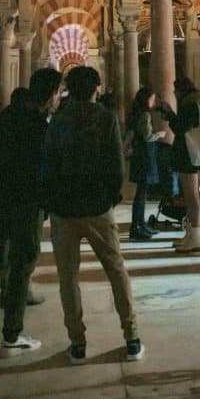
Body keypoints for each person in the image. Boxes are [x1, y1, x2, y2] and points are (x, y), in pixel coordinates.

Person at [42, 65, 143, 364]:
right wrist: (110, 197)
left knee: (68, 279)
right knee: (116, 270)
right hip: (98, 208)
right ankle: (132, 337)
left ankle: (78, 343)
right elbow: (115, 162)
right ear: (96, 89)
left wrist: (52, 201)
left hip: (64, 209)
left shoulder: (58, 120)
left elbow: (48, 164)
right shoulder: (105, 117)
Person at [0, 70, 62, 356]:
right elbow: (45, 169)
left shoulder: (6, 117)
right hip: (27, 204)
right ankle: (11, 335)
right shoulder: (39, 125)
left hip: (1, 199)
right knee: (22, 266)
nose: (59, 97)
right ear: (50, 94)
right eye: (58, 92)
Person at [157, 75, 200, 252]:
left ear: (181, 91)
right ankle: (190, 235)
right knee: (192, 196)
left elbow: (181, 128)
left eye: (176, 91)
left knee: (191, 198)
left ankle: (195, 240)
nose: (174, 94)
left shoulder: (190, 103)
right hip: (192, 154)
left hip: (187, 155)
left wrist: (169, 113)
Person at [125, 86, 165, 241]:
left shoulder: (136, 113)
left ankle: (140, 224)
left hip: (139, 155)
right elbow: (147, 136)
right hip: (144, 156)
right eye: (152, 98)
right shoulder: (144, 115)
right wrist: (159, 134)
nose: (154, 101)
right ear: (146, 99)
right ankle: (136, 227)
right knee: (141, 193)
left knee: (142, 192)